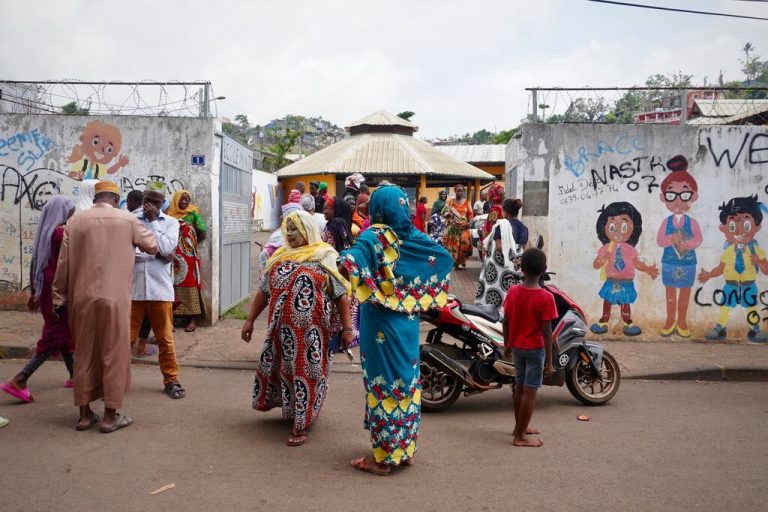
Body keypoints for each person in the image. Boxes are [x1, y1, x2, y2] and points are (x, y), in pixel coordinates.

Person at [340, 185, 452, 475]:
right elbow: (443, 258)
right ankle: (404, 450)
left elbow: (349, 264)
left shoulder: (375, 235)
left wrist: (376, 283)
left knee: (383, 384)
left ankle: (381, 460)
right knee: (406, 383)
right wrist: (406, 290)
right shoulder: (415, 237)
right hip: (407, 323)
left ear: (378, 208)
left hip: (379, 322)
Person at [52, 181, 158, 433]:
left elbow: (62, 265)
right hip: (115, 300)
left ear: (95, 196)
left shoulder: (75, 222)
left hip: (81, 299)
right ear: (116, 198)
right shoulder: (126, 219)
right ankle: (111, 416)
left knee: (84, 353)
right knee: (114, 353)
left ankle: (85, 415)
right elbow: (152, 246)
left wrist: (59, 298)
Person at [241, 211, 353, 446]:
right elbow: (264, 291)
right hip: (280, 333)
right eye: (287, 229)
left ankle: (301, 424)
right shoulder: (279, 258)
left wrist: (347, 328)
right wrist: (249, 320)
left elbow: (342, 295)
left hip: (312, 336)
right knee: (283, 371)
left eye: (296, 229)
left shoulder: (325, 256)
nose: (290, 234)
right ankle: (294, 411)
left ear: (308, 230)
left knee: (306, 374)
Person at [1, 196, 76, 404]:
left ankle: (75, 376)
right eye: (71, 211)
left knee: (65, 335)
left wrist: (35, 292)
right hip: (59, 295)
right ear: (64, 212)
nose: (73, 214)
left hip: (46, 293)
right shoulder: (62, 233)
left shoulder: (45, 233)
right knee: (53, 338)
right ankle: (20, 379)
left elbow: (36, 263)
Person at [130, 190, 185, 399]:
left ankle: (171, 380)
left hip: (160, 289)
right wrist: (158, 253)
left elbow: (165, 246)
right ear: (143, 201)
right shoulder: (131, 220)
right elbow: (129, 251)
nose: (151, 205)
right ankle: (117, 379)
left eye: (156, 202)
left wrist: (153, 223)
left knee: (165, 338)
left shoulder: (171, 223)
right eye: (148, 201)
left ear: (163, 204)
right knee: (126, 337)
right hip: (133, 289)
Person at [502, 248, 556, 448]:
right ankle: (520, 436)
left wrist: (507, 343)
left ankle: (520, 427)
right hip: (535, 349)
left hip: (517, 347)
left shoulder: (513, 291)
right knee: (530, 391)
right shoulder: (546, 297)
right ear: (544, 269)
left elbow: (506, 321)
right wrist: (550, 361)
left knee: (520, 387)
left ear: (521, 268)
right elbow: (547, 332)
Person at [656, 155, 702, 338]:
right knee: (670, 294)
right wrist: (671, 238)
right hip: (669, 261)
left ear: (693, 196)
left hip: (688, 262)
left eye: (684, 194)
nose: (677, 201)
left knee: (684, 295)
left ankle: (682, 321)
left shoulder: (692, 222)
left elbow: (698, 239)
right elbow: (660, 240)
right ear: (663, 197)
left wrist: (686, 243)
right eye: (671, 195)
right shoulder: (666, 222)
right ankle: (669, 321)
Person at [167, 190, 208, 333]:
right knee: (171, 284)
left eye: (187, 200)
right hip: (171, 256)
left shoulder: (193, 214)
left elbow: (202, 231)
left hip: (188, 256)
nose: (184, 202)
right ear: (175, 200)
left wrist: (189, 242)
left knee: (190, 283)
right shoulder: (168, 215)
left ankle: (192, 320)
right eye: (182, 199)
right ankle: (170, 319)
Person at [475, 198, 518, 311]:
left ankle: (492, 311)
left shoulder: (502, 225)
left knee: (494, 288)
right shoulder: (524, 227)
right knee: (508, 289)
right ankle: (507, 310)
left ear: (505, 211)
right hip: (514, 265)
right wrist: (515, 260)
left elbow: (498, 246)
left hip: (498, 266)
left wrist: (507, 258)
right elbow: (523, 247)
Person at [442, 185, 474, 269]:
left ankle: (463, 260)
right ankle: (455, 262)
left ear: (463, 192)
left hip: (464, 227)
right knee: (454, 246)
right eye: (458, 191)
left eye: (461, 191)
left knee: (464, 245)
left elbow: (470, 214)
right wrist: (448, 214)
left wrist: (469, 222)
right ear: (455, 191)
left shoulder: (467, 202)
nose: (460, 193)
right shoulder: (450, 202)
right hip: (453, 228)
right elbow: (444, 213)